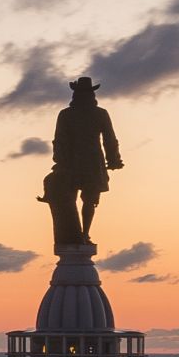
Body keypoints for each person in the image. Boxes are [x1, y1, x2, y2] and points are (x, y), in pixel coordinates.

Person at [40, 77, 124, 250]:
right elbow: (109, 140)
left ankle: (82, 234)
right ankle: (83, 234)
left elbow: (59, 141)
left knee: (81, 199)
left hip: (74, 162)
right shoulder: (99, 113)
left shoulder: (67, 114)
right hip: (89, 162)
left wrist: (60, 161)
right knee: (88, 200)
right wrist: (114, 160)